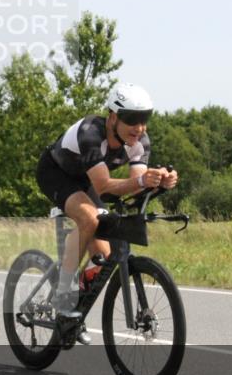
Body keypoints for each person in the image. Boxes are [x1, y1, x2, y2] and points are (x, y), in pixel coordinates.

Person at [35, 82, 179, 344]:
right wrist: (142, 181)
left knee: (103, 255)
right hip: (56, 173)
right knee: (89, 219)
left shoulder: (139, 141)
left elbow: (134, 188)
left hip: (87, 179)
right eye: (132, 119)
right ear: (113, 117)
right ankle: (62, 295)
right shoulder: (91, 133)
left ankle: (76, 311)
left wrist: (160, 182)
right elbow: (104, 187)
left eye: (144, 119)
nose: (140, 127)